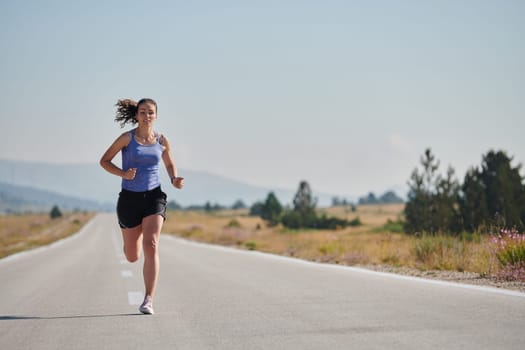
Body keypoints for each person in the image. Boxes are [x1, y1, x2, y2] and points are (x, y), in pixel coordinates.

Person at [100, 98, 184, 315]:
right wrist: (123, 174)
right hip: (129, 199)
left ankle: (148, 299)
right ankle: (130, 241)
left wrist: (174, 178)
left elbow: (169, 162)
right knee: (132, 256)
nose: (147, 116)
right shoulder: (126, 139)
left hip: (154, 197)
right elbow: (104, 160)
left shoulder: (162, 140)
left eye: (151, 112)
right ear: (137, 115)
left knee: (152, 244)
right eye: (143, 112)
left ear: (156, 116)